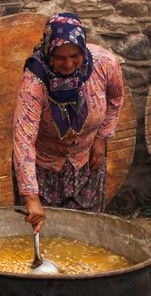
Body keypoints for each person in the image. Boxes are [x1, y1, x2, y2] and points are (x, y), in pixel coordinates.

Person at [12, 12, 125, 233]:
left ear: (83, 49)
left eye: (75, 55)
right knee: (43, 235)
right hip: (42, 168)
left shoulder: (104, 64)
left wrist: (102, 138)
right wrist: (31, 197)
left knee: (85, 233)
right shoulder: (34, 81)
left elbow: (115, 99)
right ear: (48, 50)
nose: (68, 64)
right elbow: (23, 139)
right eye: (59, 57)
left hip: (86, 162)